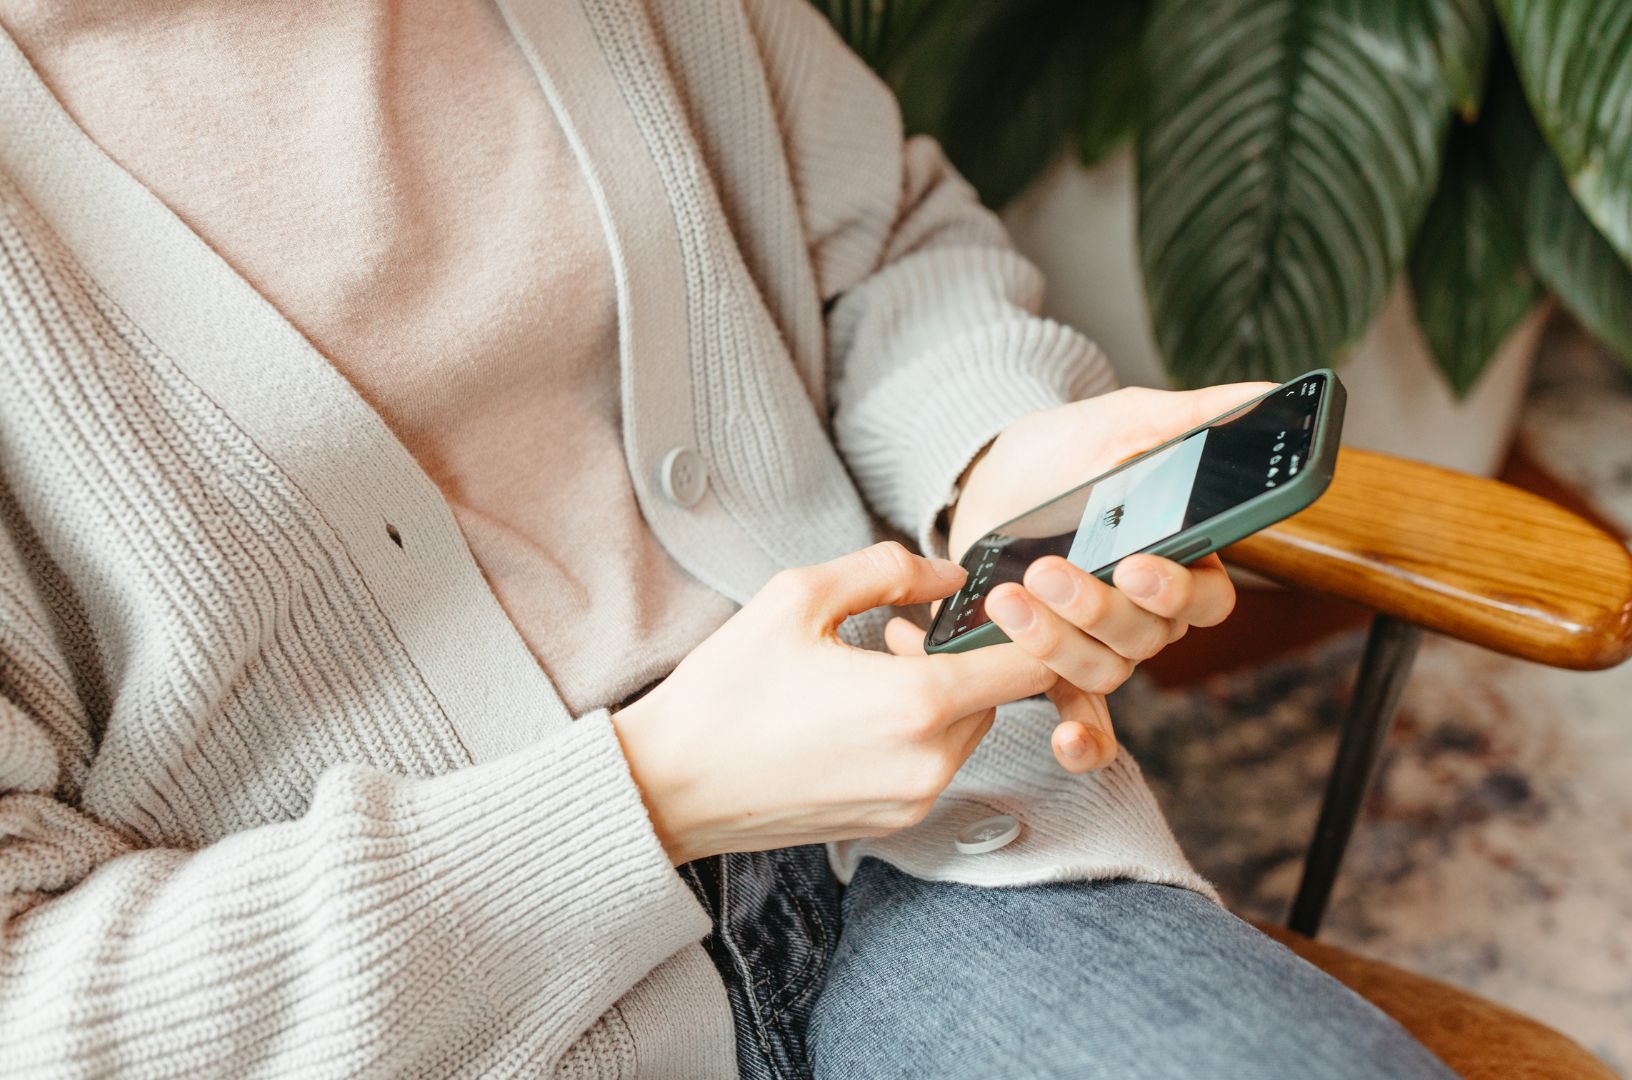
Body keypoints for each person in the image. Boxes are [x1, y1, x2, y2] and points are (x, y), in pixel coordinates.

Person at [0, 1, 1459, 1076]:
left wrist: (999, 452)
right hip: (438, 1023)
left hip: (926, 852)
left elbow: (878, 250)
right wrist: (649, 796)